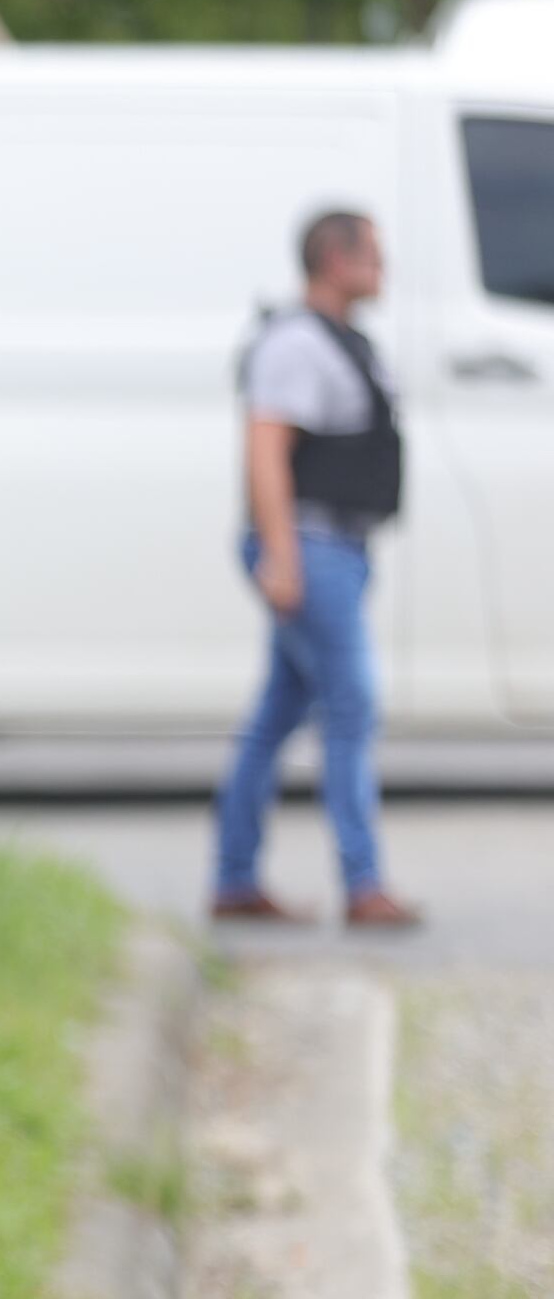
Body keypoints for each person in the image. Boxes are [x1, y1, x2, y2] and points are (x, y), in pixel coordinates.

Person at [213, 206, 417, 931]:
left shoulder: (344, 341)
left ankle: (234, 878)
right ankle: (364, 886)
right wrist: (282, 557)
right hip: (310, 546)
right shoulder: (297, 344)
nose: (384, 269)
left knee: (276, 716)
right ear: (336, 259)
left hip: (335, 548)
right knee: (352, 706)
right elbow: (265, 450)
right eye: (373, 254)